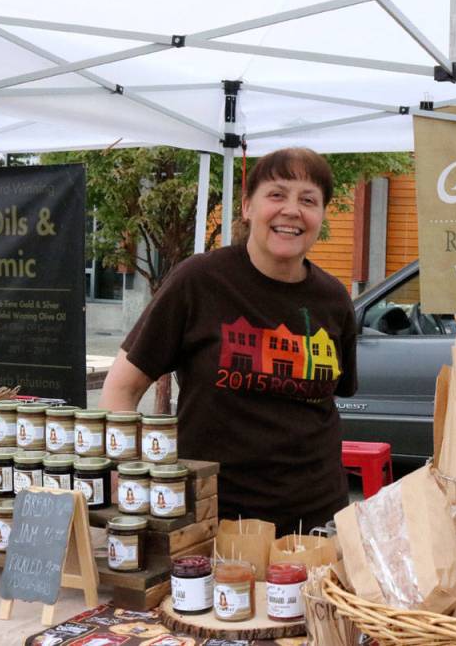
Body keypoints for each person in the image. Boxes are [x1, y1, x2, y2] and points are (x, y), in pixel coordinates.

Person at [101, 147, 358, 536]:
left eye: (308, 200)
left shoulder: (333, 298)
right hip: (212, 516)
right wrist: (127, 471)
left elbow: (326, 403)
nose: (292, 210)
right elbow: (121, 388)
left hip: (317, 518)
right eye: (277, 194)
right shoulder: (200, 281)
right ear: (247, 207)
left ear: (320, 216)